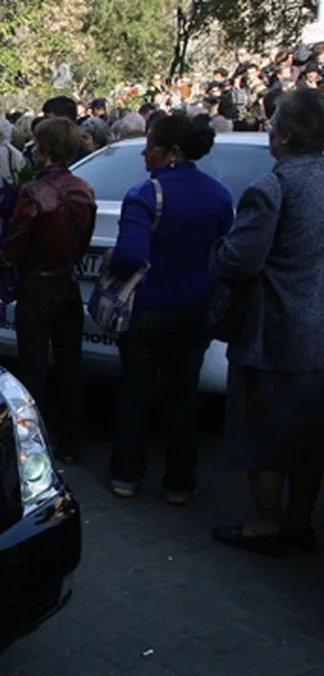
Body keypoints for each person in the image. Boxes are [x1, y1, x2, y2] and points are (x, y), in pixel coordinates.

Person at [210, 89, 324, 557]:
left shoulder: (273, 187)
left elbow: (239, 261)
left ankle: (265, 524)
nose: (269, 131)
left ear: (288, 134)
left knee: (264, 435)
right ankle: (298, 522)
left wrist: (216, 250)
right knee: (308, 436)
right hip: (317, 332)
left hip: (273, 331)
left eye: (273, 123)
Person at [106, 114, 232, 503]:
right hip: (196, 309)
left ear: (172, 152)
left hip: (149, 309)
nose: (145, 154)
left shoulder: (146, 194)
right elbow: (223, 250)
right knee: (183, 397)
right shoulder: (219, 195)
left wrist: (112, 259)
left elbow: (130, 256)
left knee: (136, 395)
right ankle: (180, 481)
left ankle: (127, 476)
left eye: (151, 147)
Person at [0, 118, 95, 463]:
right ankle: (71, 442)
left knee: (33, 369)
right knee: (69, 366)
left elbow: (16, 245)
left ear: (43, 148)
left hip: (38, 287)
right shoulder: (83, 189)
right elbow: (82, 243)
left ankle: (34, 445)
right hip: (67, 285)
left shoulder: (34, 193)